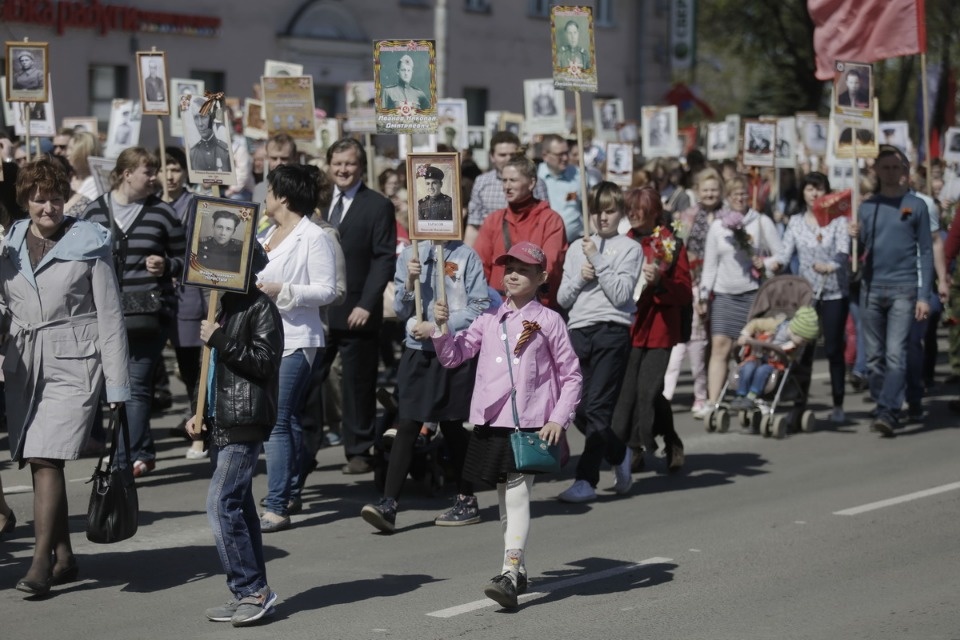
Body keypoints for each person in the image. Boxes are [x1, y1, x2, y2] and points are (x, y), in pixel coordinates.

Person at [1, 159, 129, 595]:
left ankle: (39, 563)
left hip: (74, 363)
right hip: (24, 365)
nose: (48, 207)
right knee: (39, 460)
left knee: (45, 456)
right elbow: (6, 305)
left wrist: (117, 387)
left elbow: (111, 316)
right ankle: (65, 555)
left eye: (55, 198)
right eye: (39, 198)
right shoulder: (11, 241)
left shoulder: (91, 240)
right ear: (25, 200)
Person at [431, 241, 582, 610]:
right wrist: (440, 328)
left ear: (542, 277)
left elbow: (572, 376)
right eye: (508, 267)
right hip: (490, 421)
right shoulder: (489, 319)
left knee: (516, 494)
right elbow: (454, 356)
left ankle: (510, 573)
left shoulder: (549, 321)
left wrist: (558, 418)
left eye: (523, 269)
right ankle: (518, 569)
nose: (513, 274)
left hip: (531, 424)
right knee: (504, 497)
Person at [360, 238, 489, 532]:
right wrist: (410, 283)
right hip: (418, 353)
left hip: (454, 350)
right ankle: (389, 504)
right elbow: (400, 310)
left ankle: (467, 498)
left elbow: (480, 306)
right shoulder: (409, 254)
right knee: (407, 422)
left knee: (454, 425)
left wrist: (442, 325)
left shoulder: (466, 255)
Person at [185, 243, 283, 626]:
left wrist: (220, 340)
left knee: (220, 504)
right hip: (220, 419)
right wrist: (198, 411)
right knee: (239, 506)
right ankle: (249, 589)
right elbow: (209, 369)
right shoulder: (222, 308)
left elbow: (263, 363)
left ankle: (252, 591)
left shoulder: (260, 307)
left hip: (244, 419)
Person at [82, 147, 186, 477]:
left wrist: (167, 264)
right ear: (127, 174)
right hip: (105, 315)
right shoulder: (94, 212)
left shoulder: (163, 213)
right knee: (111, 389)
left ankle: (123, 462)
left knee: (136, 387)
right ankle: (142, 449)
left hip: (149, 315)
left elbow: (188, 261)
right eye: (149, 171)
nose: (156, 177)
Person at [257, 163, 339, 531]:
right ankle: (289, 490)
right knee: (285, 419)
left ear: (283, 197)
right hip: (263, 337)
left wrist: (285, 291)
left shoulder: (314, 237)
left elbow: (328, 290)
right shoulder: (267, 231)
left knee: (275, 420)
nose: (265, 196)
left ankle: (276, 505)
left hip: (296, 338)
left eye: (269, 190)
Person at [556, 182, 640, 502]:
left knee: (599, 408)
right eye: (596, 211)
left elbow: (621, 295)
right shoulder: (577, 247)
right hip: (579, 330)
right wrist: (581, 275)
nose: (602, 218)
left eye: (609, 211)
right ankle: (619, 453)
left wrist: (600, 263)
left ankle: (586, 480)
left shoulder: (629, 248)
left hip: (611, 331)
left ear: (620, 213)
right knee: (576, 407)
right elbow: (563, 298)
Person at [323, 138, 396, 474]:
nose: (343, 170)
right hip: (319, 310)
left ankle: (360, 449)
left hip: (358, 311)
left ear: (361, 167)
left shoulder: (377, 205)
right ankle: (306, 446)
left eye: (349, 164)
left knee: (357, 385)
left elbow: (383, 258)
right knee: (309, 382)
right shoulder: (318, 202)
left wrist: (368, 304)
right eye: (337, 163)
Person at [849, 147, 933, 435]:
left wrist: (924, 295)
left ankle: (888, 410)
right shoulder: (866, 207)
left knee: (896, 354)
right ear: (875, 171)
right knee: (873, 359)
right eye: (884, 167)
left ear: (904, 171)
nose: (890, 172)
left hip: (904, 288)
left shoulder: (916, 206)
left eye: (895, 167)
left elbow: (925, 251)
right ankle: (886, 399)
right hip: (872, 288)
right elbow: (859, 254)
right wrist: (854, 239)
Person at [611, 187, 691, 471]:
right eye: (629, 208)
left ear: (654, 211)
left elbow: (684, 293)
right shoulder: (623, 241)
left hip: (659, 330)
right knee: (629, 392)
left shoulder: (670, 244)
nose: (632, 214)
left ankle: (658, 441)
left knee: (649, 390)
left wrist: (659, 281)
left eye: (638, 209)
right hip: (630, 327)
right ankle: (637, 447)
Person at [769, 172, 851, 423]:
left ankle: (838, 403)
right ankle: (799, 403)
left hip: (834, 291)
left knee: (834, 348)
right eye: (810, 188)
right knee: (802, 348)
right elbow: (783, 255)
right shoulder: (795, 222)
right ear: (803, 193)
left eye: (820, 188)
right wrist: (768, 264)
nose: (815, 193)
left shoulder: (838, 221)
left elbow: (843, 252)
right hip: (806, 295)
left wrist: (832, 265)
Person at [699, 174, 782, 413]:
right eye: (735, 194)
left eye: (743, 194)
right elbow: (710, 265)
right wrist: (704, 295)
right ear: (728, 198)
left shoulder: (760, 221)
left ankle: (750, 394)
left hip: (752, 293)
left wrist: (764, 263)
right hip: (724, 294)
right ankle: (713, 401)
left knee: (750, 347)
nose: (739, 198)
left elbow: (781, 254)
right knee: (720, 347)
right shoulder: (718, 226)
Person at [160, 146, 207, 459]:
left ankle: (200, 431)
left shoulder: (193, 205)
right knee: (178, 368)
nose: (170, 175)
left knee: (195, 369)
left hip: (189, 295)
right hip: (160, 297)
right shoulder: (152, 205)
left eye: (175, 168)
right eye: (164, 168)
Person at [474, 154, 568, 309]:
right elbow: (479, 268)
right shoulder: (493, 220)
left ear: (531, 183)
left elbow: (549, 268)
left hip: (535, 311)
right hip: (497, 310)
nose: (507, 186)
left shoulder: (551, 220)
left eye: (513, 180)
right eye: (504, 180)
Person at [464, 131, 548, 246]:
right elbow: (474, 226)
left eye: (513, 155)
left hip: (525, 249)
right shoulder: (482, 182)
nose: (508, 159)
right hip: (491, 249)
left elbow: (545, 221)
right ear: (492, 156)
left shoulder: (535, 182)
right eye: (502, 155)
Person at [731, 307, 820, 409]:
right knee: (747, 368)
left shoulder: (794, 346)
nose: (803, 344)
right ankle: (740, 394)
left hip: (773, 365)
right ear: (796, 331)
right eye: (803, 340)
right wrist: (745, 335)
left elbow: (790, 360)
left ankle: (752, 395)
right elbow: (755, 323)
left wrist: (782, 356)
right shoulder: (774, 325)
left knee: (762, 371)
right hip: (755, 356)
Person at [538, 134, 583, 241]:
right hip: (545, 242)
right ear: (545, 156)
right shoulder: (535, 177)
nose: (565, 158)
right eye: (560, 154)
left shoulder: (579, 175)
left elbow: (588, 208)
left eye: (566, 153)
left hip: (575, 242)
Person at [190, 103, 232, 172]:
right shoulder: (192, 153)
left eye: (203, 117)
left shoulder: (225, 151)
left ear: (212, 119)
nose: (200, 124)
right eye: (196, 118)